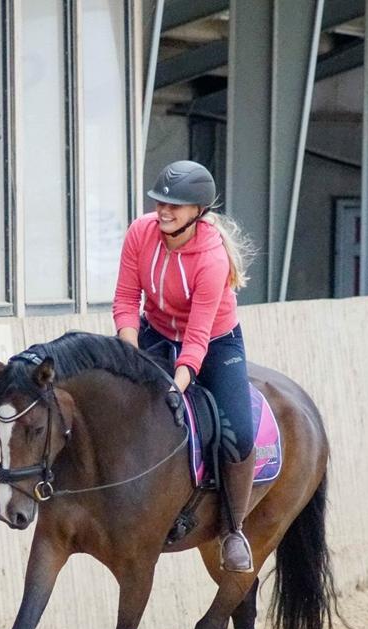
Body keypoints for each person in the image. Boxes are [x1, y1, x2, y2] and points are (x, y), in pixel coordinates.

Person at [112, 160, 257, 572]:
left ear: (198, 211)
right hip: (154, 331)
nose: (163, 211)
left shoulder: (212, 259)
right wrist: (130, 354)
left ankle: (233, 530)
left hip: (215, 342)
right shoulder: (140, 233)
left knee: (238, 432)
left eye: (174, 206)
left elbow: (197, 337)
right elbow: (126, 299)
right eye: (160, 203)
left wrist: (178, 382)